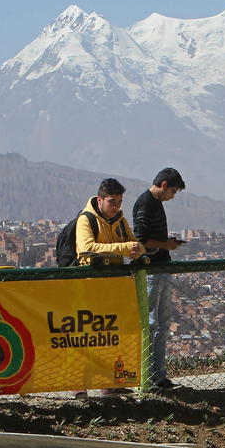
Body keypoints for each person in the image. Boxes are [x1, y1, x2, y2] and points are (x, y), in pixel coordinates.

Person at [74, 177, 145, 397]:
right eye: (112, 202)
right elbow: (86, 247)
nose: (116, 207)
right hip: (89, 288)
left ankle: (110, 382)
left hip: (113, 288)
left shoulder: (120, 222)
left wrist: (137, 250)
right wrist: (123, 248)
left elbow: (134, 243)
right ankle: (79, 385)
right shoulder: (86, 220)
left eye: (119, 202)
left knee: (111, 336)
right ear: (100, 200)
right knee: (87, 336)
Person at [133, 167, 186, 389]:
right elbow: (141, 239)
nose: (172, 196)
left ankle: (158, 375)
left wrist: (166, 244)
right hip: (151, 269)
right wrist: (167, 245)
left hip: (161, 267)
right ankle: (148, 375)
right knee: (151, 323)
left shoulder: (154, 204)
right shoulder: (145, 203)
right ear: (164, 185)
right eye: (172, 191)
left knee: (162, 324)